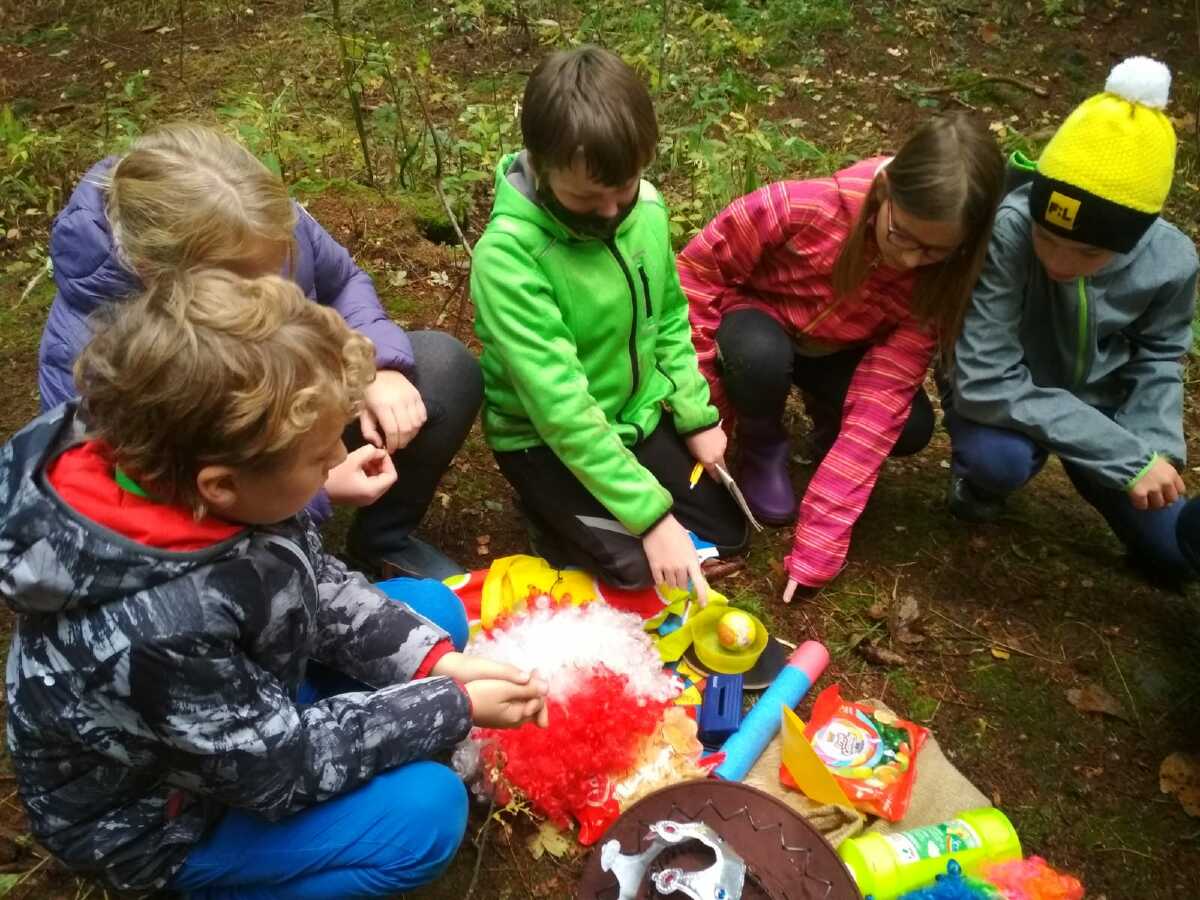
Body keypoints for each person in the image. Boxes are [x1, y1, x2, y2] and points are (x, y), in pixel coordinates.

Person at [0, 269, 547, 899]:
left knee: (433, 616)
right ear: (221, 485)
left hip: (233, 709)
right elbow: (281, 769)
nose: (335, 463)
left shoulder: (187, 472)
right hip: (167, 819)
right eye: (319, 457)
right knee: (427, 813)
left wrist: (435, 664)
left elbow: (307, 577)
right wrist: (450, 706)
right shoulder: (155, 632)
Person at [37, 123, 481, 579]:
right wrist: (318, 491)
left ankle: (381, 543)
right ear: (158, 274)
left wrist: (377, 365)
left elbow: (342, 280)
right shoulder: (90, 350)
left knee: (442, 368)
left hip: (299, 412)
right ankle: (287, 563)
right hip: (220, 491)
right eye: (250, 281)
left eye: (281, 262)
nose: (275, 289)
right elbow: (132, 513)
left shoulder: (257, 219)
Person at [677, 113, 1004, 601]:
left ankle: (827, 434)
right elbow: (695, 277)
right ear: (885, 192)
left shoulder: (942, 279)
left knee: (912, 425)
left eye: (933, 252)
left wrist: (819, 544)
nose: (910, 260)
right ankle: (763, 443)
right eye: (902, 235)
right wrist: (708, 413)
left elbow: (883, 397)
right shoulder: (801, 207)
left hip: (838, 349)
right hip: (757, 321)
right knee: (757, 357)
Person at [470, 46, 748, 601]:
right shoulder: (508, 258)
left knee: (727, 532)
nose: (610, 213)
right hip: (545, 439)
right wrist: (652, 519)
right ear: (541, 165)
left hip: (634, 415)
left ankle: (611, 505)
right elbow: (563, 410)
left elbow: (670, 317)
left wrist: (695, 417)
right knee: (639, 570)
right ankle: (544, 506)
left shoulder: (646, 209)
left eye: (623, 189)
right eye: (586, 197)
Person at [945, 57, 1200, 585]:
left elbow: (1158, 358)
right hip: (1010, 398)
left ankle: (1103, 481)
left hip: (1103, 411)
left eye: (1088, 253)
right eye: (1048, 237)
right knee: (997, 460)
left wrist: (1151, 449)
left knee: (1175, 553)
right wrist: (1123, 456)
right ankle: (980, 484)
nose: (1058, 263)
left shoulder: (1172, 262)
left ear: (1132, 240)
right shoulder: (1010, 230)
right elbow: (985, 379)